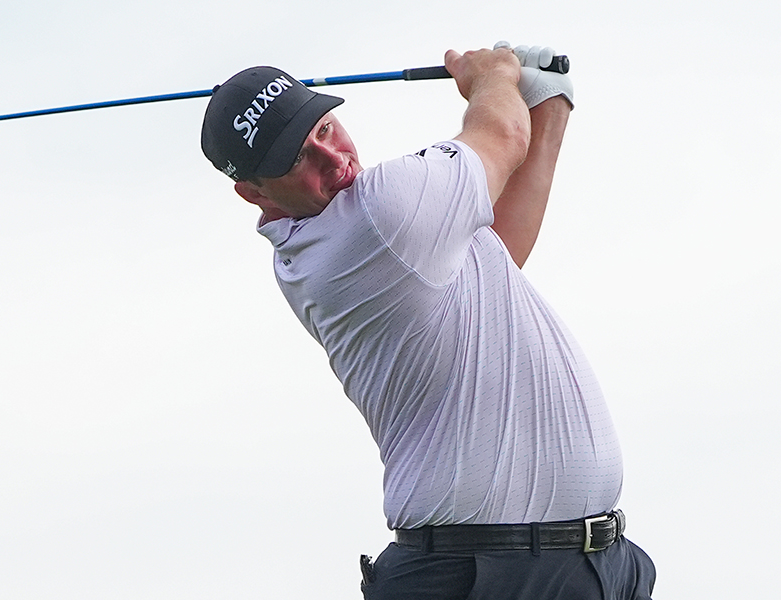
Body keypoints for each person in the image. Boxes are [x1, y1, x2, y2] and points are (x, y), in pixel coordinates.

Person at [200, 42, 656, 599]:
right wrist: (492, 77)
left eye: (324, 127)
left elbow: (498, 252)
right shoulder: (376, 215)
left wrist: (547, 106)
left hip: (584, 566)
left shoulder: (359, 241)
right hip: (484, 573)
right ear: (252, 192)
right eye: (297, 159)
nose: (332, 158)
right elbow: (501, 136)